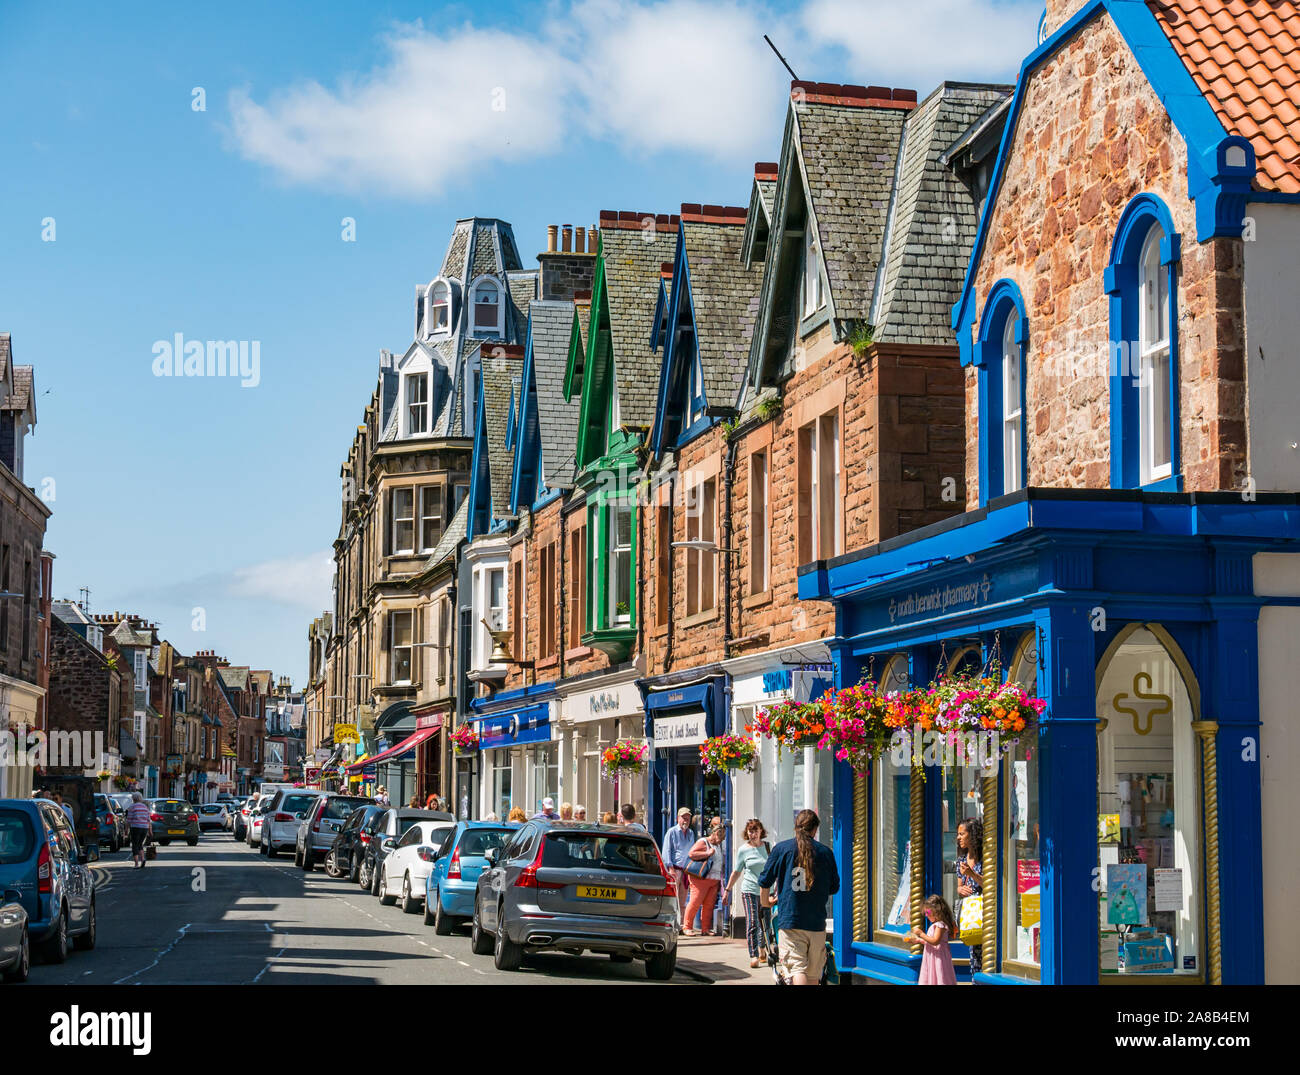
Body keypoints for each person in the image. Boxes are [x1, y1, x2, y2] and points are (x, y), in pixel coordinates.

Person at [758, 808, 839, 985]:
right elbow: (834, 887)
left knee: (796, 968)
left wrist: (766, 902)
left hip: (791, 920)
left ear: (796, 827)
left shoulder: (782, 849)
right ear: (815, 829)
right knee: (812, 975)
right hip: (817, 922)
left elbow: (764, 881)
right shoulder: (825, 852)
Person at [726, 818, 771, 967]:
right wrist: (728, 890)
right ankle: (754, 956)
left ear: (761, 831)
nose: (753, 834)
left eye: (755, 830)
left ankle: (762, 947)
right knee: (752, 922)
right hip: (749, 890)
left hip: (765, 891)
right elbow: (737, 872)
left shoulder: (769, 847)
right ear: (747, 833)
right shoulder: (743, 850)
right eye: (750, 831)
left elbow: (774, 870)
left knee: (765, 923)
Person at [682, 817, 725, 936]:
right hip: (700, 878)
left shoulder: (718, 845)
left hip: (714, 879)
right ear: (715, 833)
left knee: (709, 905)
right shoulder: (703, 842)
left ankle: (705, 929)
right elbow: (691, 854)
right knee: (695, 902)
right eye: (719, 838)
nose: (720, 841)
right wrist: (707, 853)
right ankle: (687, 926)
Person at [908, 894, 958, 985]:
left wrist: (921, 934)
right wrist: (919, 940)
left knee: (939, 976)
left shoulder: (940, 925)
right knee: (932, 976)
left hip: (938, 957)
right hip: (932, 956)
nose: (926, 915)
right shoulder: (936, 925)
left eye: (928, 913)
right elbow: (932, 942)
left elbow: (935, 941)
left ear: (937, 912)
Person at [954, 817, 983, 967]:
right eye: (958, 834)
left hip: (985, 914)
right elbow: (959, 887)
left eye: (961, 834)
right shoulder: (961, 860)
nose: (958, 838)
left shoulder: (985, 858)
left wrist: (972, 874)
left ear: (972, 835)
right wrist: (960, 889)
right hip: (971, 916)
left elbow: (989, 884)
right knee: (975, 958)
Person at [660, 807, 695, 923]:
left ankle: (680, 924)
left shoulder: (691, 833)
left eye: (688, 819)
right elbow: (666, 851)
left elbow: (692, 851)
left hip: (686, 871)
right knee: (673, 899)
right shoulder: (671, 832)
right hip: (675, 870)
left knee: (683, 900)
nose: (686, 821)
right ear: (677, 818)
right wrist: (671, 869)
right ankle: (671, 923)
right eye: (683, 818)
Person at [126, 792, 152, 869]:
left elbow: (129, 820)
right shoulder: (145, 807)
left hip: (135, 827)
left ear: (133, 799)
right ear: (140, 798)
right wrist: (150, 831)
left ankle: (136, 864)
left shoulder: (132, 807)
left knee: (135, 845)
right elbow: (149, 820)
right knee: (140, 844)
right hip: (144, 828)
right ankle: (143, 859)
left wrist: (126, 830)